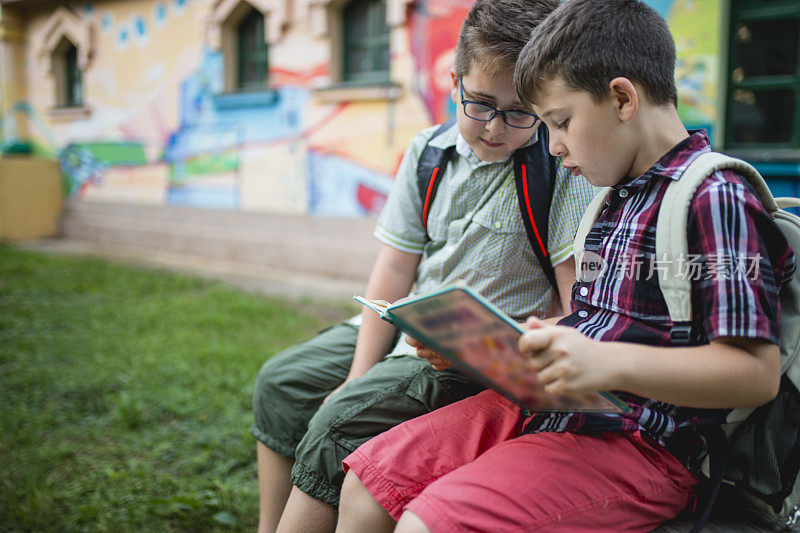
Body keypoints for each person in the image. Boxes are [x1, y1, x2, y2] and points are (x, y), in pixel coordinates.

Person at [335, 0, 797, 531]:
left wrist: (607, 362)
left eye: (560, 122)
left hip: (641, 444)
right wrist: (500, 342)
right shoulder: (614, 193)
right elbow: (606, 323)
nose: (552, 147)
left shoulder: (715, 197)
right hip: (555, 405)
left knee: (430, 523)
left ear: (622, 97)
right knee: (370, 481)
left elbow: (754, 374)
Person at [250, 1, 597, 531]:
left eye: (520, 112)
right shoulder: (427, 152)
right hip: (411, 323)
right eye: (481, 104)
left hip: (472, 357)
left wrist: (360, 387)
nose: (497, 128)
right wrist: (358, 372)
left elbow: (576, 310)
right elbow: (394, 269)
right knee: (282, 382)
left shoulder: (559, 173)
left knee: (335, 423)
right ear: (454, 81)